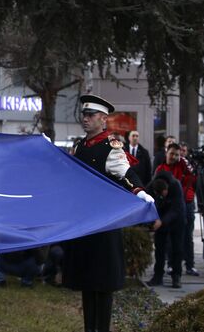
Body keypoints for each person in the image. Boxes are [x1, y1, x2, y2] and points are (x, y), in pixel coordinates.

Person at [62, 94, 155, 332]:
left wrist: (139, 191)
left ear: (103, 119)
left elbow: (125, 173)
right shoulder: (80, 146)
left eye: (90, 115)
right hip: (84, 223)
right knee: (86, 282)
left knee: (102, 284)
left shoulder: (110, 147)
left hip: (104, 224)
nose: (85, 119)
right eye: (84, 114)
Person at [155, 143, 198, 276]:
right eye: (172, 153)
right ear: (166, 153)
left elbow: (194, 179)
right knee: (168, 241)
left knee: (187, 238)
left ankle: (189, 265)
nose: (174, 157)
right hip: (168, 208)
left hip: (185, 204)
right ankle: (170, 266)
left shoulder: (184, 165)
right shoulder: (160, 169)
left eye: (177, 155)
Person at [145, 171, 186, 288]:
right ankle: (157, 276)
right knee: (159, 249)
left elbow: (176, 209)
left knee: (177, 248)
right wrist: (152, 220)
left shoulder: (176, 186)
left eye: (166, 193)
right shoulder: (150, 188)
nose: (165, 195)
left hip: (177, 220)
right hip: (160, 219)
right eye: (162, 194)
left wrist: (162, 221)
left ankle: (176, 276)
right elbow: (146, 204)